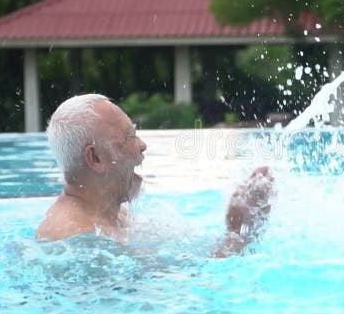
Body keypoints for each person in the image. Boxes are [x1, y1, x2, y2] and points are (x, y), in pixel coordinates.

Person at [35, 94, 274, 256]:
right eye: (129, 138)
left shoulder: (117, 218)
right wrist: (238, 233)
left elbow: (190, 259)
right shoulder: (74, 240)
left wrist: (238, 231)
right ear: (96, 158)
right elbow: (187, 293)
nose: (142, 145)